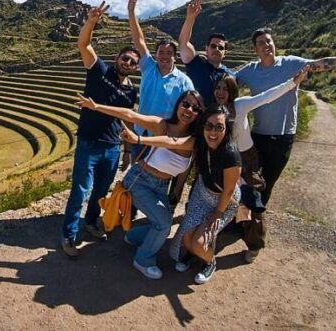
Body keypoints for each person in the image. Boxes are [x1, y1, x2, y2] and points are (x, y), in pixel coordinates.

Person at [235, 28, 336, 262]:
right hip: (257, 137)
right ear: (255, 49)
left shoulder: (291, 64)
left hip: (283, 138)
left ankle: (253, 232)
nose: (266, 45)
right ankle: (244, 224)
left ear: (273, 43)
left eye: (268, 41)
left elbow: (323, 64)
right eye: (260, 43)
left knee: (265, 187)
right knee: (249, 183)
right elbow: (226, 80)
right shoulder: (250, 71)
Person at [74, 89, 205, 279]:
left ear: (199, 114)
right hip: (140, 180)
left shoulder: (193, 140)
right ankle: (143, 260)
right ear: (178, 105)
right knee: (163, 223)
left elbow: (175, 146)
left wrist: (177, 189)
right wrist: (95, 107)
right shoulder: (162, 125)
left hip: (162, 185)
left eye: (195, 108)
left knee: (163, 225)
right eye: (185, 104)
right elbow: (131, 115)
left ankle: (133, 237)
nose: (189, 110)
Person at [122, 104, 241, 285]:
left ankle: (210, 262)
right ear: (202, 127)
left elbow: (229, 190)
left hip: (223, 201)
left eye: (219, 127)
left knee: (197, 244)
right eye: (208, 126)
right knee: (186, 239)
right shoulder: (199, 143)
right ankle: (191, 253)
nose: (213, 132)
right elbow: (171, 142)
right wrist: (138, 139)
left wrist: (217, 213)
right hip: (202, 194)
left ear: (227, 128)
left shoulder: (231, 154)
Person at [60, 1, 140, 257]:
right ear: (116, 58)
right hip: (89, 143)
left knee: (100, 190)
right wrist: (92, 21)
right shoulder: (100, 71)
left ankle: (91, 223)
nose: (128, 62)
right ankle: (69, 236)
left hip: (112, 147)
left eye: (132, 61)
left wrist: (127, 150)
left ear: (136, 67)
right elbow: (84, 45)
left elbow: (126, 120)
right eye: (125, 58)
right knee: (80, 190)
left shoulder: (130, 90)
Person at [212, 67, 310, 257]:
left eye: (225, 88)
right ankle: (229, 227)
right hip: (227, 161)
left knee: (252, 199)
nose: (221, 92)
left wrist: (292, 83)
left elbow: (266, 96)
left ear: (232, 92)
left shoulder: (240, 106)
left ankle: (255, 244)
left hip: (247, 159)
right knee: (228, 197)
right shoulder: (213, 110)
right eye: (218, 88)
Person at [126, 0, 194, 163]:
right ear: (155, 55)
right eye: (161, 52)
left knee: (158, 176)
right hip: (140, 133)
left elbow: (190, 110)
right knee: (136, 172)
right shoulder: (148, 67)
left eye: (169, 53)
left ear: (175, 57)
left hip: (163, 137)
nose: (164, 56)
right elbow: (139, 40)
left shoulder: (184, 82)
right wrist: (131, 12)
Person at [178, 0, 233, 106]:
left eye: (221, 48)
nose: (216, 49)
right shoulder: (196, 63)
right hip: (193, 119)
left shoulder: (230, 75)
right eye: (213, 46)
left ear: (225, 53)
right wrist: (190, 18)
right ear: (206, 49)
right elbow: (183, 44)